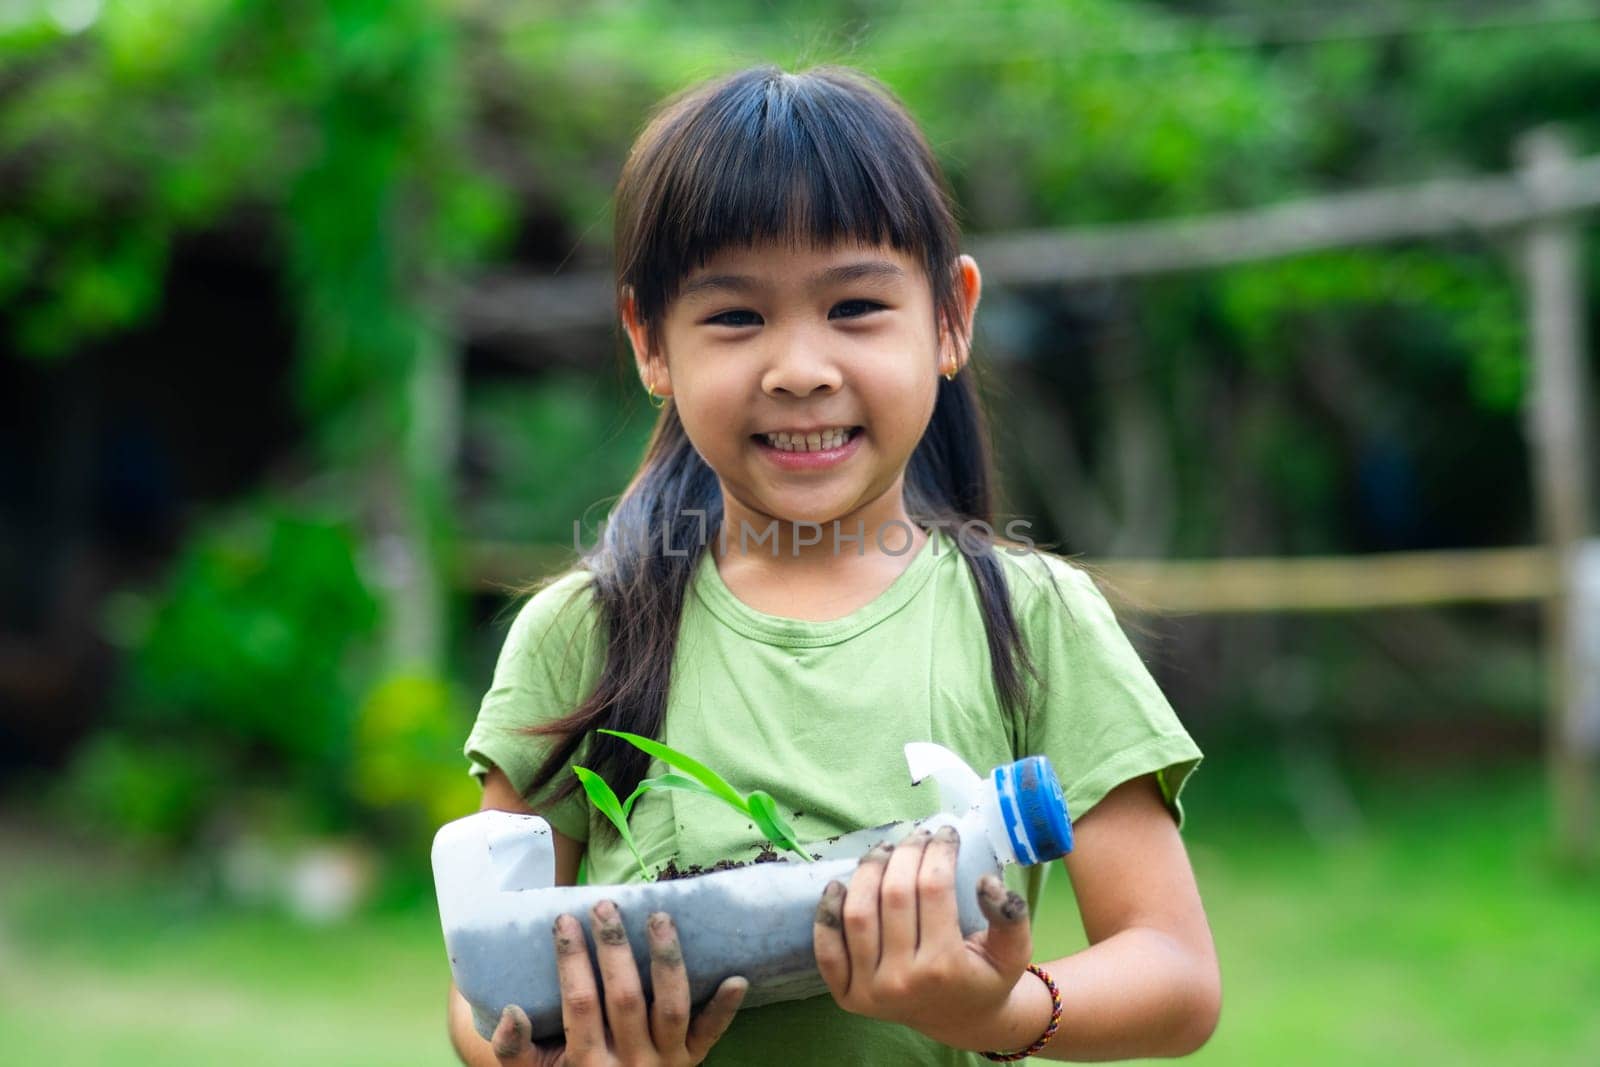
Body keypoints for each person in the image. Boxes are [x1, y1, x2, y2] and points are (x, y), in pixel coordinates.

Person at [446, 64, 1220, 1066]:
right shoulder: (583, 632)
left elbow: (1173, 972)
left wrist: (999, 1010)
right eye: (735, 317)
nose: (800, 367)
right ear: (650, 341)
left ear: (949, 317)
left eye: (854, 306)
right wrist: (546, 1053)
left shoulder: (1029, 617)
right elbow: (482, 977)